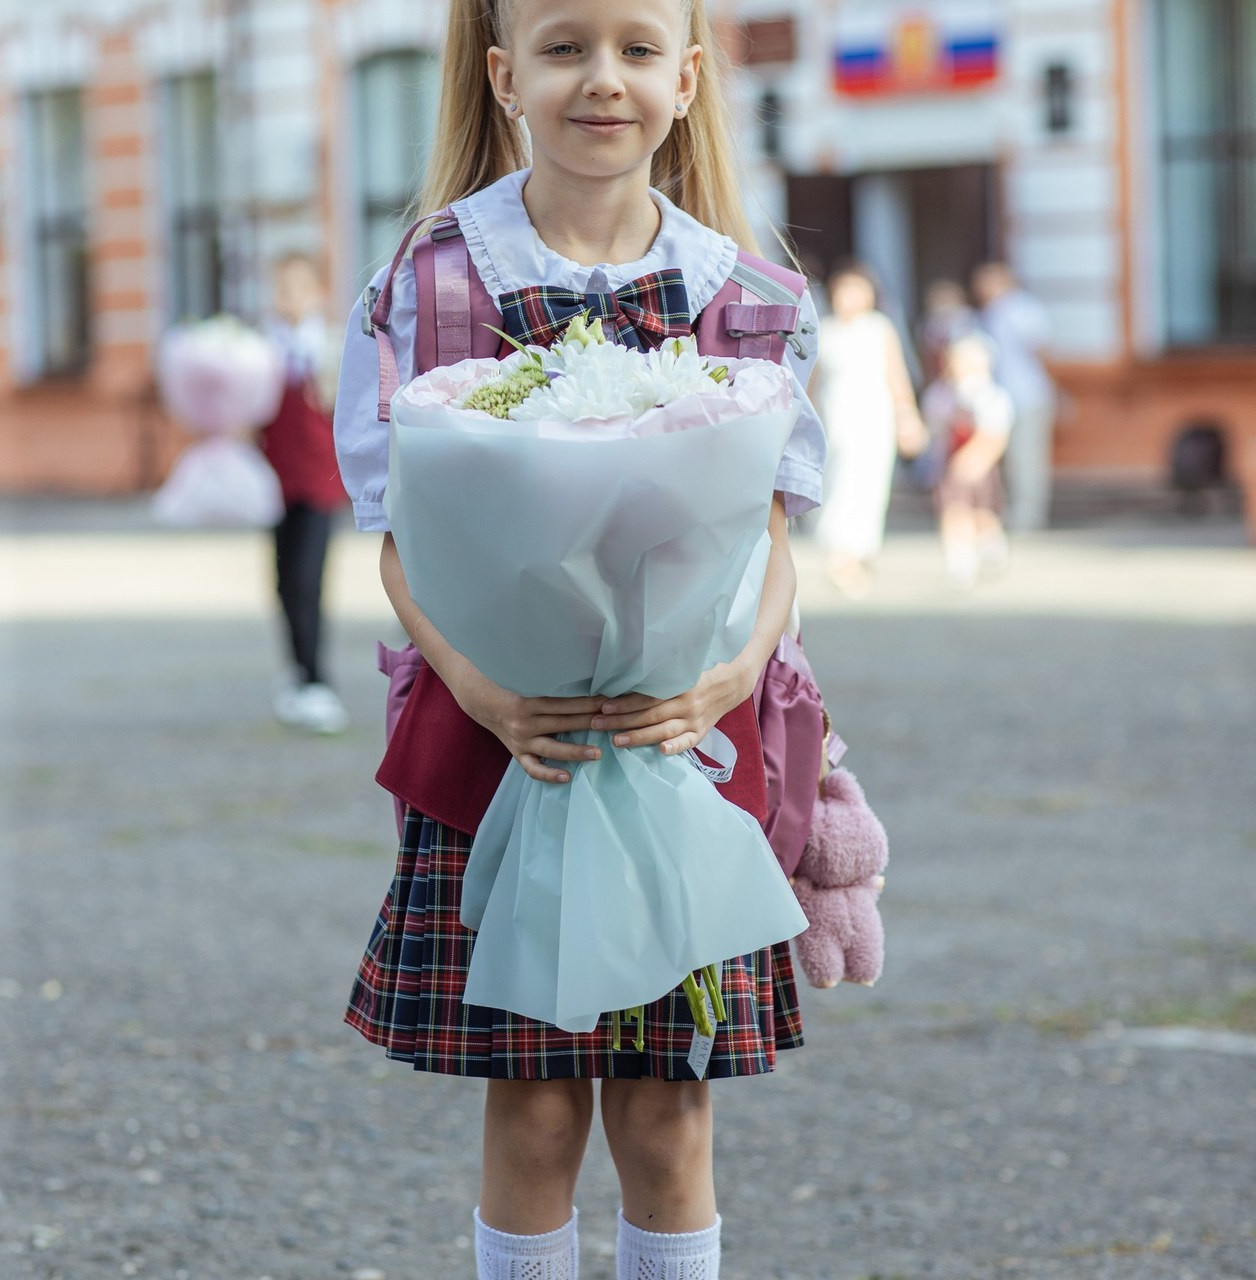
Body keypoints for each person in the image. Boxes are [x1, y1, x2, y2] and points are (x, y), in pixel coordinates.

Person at [331, 2, 827, 1277]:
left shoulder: (749, 295)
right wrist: (483, 686)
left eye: (634, 49)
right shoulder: (430, 283)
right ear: (504, 77)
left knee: (667, 1107)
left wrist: (723, 678)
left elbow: (770, 538)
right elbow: (400, 532)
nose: (600, 80)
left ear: (686, 77)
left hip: (683, 738)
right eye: (562, 48)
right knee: (535, 1097)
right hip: (502, 732)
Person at [259, 251, 349, 735]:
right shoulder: (261, 350)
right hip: (274, 481)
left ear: (316, 293)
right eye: (279, 287)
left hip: (318, 481)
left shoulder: (331, 347)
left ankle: (319, 680)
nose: (285, 298)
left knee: (307, 578)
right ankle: (297, 674)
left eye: (295, 287)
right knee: (280, 581)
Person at [814, 263, 926, 598]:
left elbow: (896, 374)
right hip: (836, 416)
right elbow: (813, 381)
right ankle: (840, 551)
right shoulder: (825, 329)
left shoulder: (879, 328)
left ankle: (858, 550)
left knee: (870, 481)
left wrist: (907, 415)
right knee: (839, 479)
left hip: (874, 415)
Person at [921, 332, 1014, 588]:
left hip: (980, 465)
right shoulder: (941, 394)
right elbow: (935, 427)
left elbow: (996, 434)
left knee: (984, 512)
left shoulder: (991, 395)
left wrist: (978, 458)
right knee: (953, 511)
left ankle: (990, 543)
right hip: (950, 464)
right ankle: (959, 561)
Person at [971, 261, 1055, 532]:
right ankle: (1006, 512)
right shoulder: (990, 313)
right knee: (1004, 457)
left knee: (1026, 458)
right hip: (1001, 397)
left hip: (1027, 395)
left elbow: (1039, 350)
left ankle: (1027, 517)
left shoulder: (1022, 309)